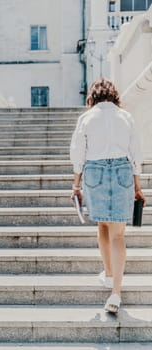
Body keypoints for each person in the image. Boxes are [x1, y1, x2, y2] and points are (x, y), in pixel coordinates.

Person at [70, 78, 146, 314]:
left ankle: (109, 272)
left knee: (102, 223)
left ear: (92, 96)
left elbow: (78, 153)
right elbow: (136, 154)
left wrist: (76, 185)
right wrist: (137, 186)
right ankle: (116, 292)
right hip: (123, 170)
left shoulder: (87, 118)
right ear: (114, 95)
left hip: (95, 171)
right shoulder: (125, 117)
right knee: (118, 235)